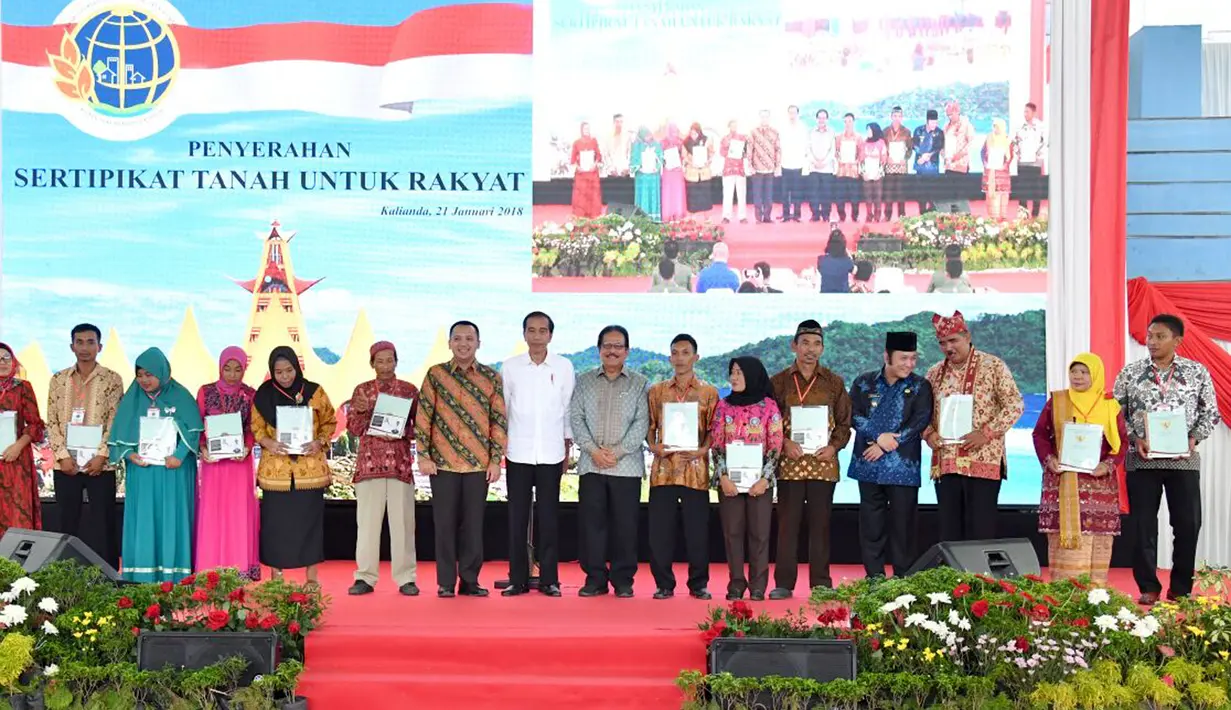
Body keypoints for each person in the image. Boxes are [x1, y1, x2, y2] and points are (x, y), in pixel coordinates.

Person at [1113, 314, 1219, 603]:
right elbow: (1116, 414)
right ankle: (1148, 586)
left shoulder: (1197, 372)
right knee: (1142, 526)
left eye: (1160, 336)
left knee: (1187, 524)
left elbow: (1211, 412)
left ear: (1177, 341)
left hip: (1183, 460)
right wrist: (1135, 438)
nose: (1152, 342)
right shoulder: (1130, 373)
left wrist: (1193, 438)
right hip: (1142, 460)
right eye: (1149, 336)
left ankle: (1181, 588)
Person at [415, 321, 507, 598]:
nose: (463, 343)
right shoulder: (436, 375)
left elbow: (499, 420)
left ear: (479, 343)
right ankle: (445, 582)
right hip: (442, 464)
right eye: (458, 338)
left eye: (469, 338)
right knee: (443, 525)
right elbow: (423, 416)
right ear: (450, 343)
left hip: (479, 465)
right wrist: (423, 455)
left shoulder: (491, 377)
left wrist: (495, 460)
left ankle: (470, 580)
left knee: (473, 526)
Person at [922, 311, 1025, 541]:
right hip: (946, 462)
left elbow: (1015, 405)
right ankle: (953, 578)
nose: (948, 348)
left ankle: (980, 577)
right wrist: (929, 434)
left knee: (981, 530)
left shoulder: (993, 366)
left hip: (983, 459)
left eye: (953, 340)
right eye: (942, 343)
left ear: (967, 336)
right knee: (949, 531)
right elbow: (922, 414)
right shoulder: (934, 373)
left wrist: (986, 433)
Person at [769, 320, 853, 598]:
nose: (810, 349)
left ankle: (820, 584)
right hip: (789, 465)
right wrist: (783, 442)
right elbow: (768, 421)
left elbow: (844, 423)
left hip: (823, 465)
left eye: (816, 344)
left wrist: (833, 447)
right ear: (794, 345)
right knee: (787, 527)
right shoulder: (778, 382)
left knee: (821, 526)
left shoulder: (834, 382)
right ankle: (783, 583)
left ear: (823, 348)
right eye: (805, 343)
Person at [109, 347, 203, 582]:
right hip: (143, 471)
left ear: (163, 372)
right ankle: (141, 575)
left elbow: (193, 431)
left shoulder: (181, 396)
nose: (144, 380)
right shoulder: (133, 398)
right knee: (144, 520)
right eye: (140, 374)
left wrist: (180, 456)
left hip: (173, 471)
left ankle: (174, 574)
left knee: (172, 518)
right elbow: (121, 433)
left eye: (149, 374)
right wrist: (130, 455)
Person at [569, 325, 649, 597]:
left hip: (626, 467)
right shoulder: (584, 380)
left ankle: (623, 580)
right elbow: (576, 418)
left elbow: (642, 423)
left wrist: (617, 452)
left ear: (626, 351)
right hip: (592, 465)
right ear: (599, 349)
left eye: (618, 346)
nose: (612, 351)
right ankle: (594, 579)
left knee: (625, 527)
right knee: (592, 525)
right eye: (607, 345)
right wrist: (593, 450)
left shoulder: (640, 383)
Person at [1034, 353, 1127, 585]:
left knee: (1097, 539)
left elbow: (1122, 442)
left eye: (1084, 372)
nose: (1077, 376)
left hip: (1098, 486)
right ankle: (1065, 595)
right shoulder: (1057, 401)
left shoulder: (1109, 405)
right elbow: (1040, 435)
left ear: (1095, 374)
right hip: (1063, 481)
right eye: (1074, 371)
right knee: (1062, 537)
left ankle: (1096, 595)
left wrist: (1108, 465)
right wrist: (1049, 459)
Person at [848, 332, 934, 578]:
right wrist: (878, 435)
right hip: (868, 464)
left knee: (903, 526)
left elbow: (920, 420)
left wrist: (886, 444)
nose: (909, 364)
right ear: (887, 356)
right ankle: (874, 577)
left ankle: (903, 577)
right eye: (903, 358)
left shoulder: (920, 385)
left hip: (902, 468)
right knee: (871, 526)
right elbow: (852, 414)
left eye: (913, 358)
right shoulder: (864, 383)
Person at [502, 313, 575, 598]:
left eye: (542, 331)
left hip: (551, 452)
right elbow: (505, 409)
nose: (536, 336)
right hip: (518, 452)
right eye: (531, 331)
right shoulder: (510, 367)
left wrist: (567, 448)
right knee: (516, 519)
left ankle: (549, 580)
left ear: (550, 336)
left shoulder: (564, 366)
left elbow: (567, 408)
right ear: (524, 335)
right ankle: (517, 579)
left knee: (549, 518)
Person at [252, 346, 337, 588]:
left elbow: (330, 421)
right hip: (276, 471)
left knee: (309, 524)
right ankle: (276, 576)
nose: (285, 376)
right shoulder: (263, 395)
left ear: (296, 368)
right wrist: (267, 441)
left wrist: (319, 442)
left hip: (309, 469)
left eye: (289, 370)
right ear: (272, 372)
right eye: (279, 372)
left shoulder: (314, 392)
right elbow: (256, 427)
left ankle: (311, 577)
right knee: (275, 526)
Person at [646, 334, 719, 600]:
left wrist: (702, 450)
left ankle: (698, 584)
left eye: (685, 352)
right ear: (669, 358)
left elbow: (714, 430)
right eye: (675, 353)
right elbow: (649, 427)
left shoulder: (709, 392)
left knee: (697, 530)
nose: (679, 358)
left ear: (695, 358)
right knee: (660, 531)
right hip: (663, 470)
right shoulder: (657, 391)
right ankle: (664, 584)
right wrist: (653, 446)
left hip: (695, 470)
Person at [46, 324, 124, 568]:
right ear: (72, 347)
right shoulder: (58, 380)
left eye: (91, 342)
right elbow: (52, 420)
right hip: (66, 464)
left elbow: (115, 419)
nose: (85, 348)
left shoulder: (112, 379)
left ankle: (108, 578)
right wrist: (62, 455)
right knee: (67, 522)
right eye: (79, 342)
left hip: (100, 465)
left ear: (99, 347)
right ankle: (65, 577)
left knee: (103, 522)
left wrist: (102, 455)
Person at [346, 341, 421, 597]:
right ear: (372, 364)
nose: (386, 366)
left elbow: (418, 428)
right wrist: (364, 411)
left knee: (403, 524)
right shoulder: (363, 391)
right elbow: (353, 429)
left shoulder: (409, 391)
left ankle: (406, 578)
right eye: (380, 361)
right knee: (367, 525)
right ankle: (365, 577)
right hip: (369, 465)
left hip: (399, 466)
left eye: (390, 360)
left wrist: (400, 429)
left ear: (396, 362)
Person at [711, 356, 783, 601]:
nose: (734, 377)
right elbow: (717, 445)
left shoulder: (769, 407)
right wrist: (723, 476)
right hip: (729, 482)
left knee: (760, 534)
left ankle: (758, 585)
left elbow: (775, 445)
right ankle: (736, 584)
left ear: (752, 375)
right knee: (732, 534)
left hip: (759, 483)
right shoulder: (723, 406)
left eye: (740, 372)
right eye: (732, 372)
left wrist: (764, 479)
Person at [195, 346, 260, 579]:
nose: (232, 374)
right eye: (227, 368)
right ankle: (209, 569)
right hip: (213, 463)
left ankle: (240, 568)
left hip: (238, 462)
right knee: (213, 511)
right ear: (220, 367)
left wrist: (247, 447)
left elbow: (254, 427)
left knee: (238, 512)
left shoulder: (251, 395)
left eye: (238, 369)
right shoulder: (205, 391)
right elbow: (198, 424)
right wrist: (202, 448)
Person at [0, 343, 45, 536]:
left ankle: (18, 565)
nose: (2, 362)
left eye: (6, 358)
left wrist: (18, 447)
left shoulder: (22, 387)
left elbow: (35, 424)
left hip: (16, 460)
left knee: (17, 513)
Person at [1013, 102, 1047, 218]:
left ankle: (1035, 214)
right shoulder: (1020, 126)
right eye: (1024, 111)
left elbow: (1045, 143)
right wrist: (1018, 153)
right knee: (1022, 188)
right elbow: (1015, 141)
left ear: (1033, 112)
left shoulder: (1040, 126)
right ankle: (1023, 213)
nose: (1025, 114)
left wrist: (1039, 157)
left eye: (1027, 111)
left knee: (1035, 189)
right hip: (1022, 162)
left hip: (1035, 163)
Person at [749, 109, 781, 224]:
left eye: (766, 117)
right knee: (757, 195)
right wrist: (750, 165)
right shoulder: (753, 132)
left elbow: (778, 150)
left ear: (769, 118)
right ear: (759, 118)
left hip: (770, 168)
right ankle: (758, 218)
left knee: (768, 195)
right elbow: (749, 149)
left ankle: (767, 217)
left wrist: (777, 166)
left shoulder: (774, 132)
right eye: (762, 117)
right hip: (757, 168)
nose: (764, 119)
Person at [779, 105, 809, 222]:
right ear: (788, 114)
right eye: (790, 113)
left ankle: (796, 214)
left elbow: (806, 145)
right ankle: (786, 215)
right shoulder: (783, 127)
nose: (792, 115)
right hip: (785, 163)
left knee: (797, 191)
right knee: (785, 192)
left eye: (794, 113)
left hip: (798, 163)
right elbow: (779, 145)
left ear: (798, 114)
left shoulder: (802, 127)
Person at [882, 106, 913, 220]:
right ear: (891, 117)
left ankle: (902, 215)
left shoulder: (907, 132)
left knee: (901, 192)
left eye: (899, 116)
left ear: (902, 118)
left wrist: (904, 158)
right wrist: (886, 157)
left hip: (901, 166)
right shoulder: (885, 131)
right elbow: (882, 147)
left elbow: (910, 149)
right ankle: (887, 215)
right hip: (889, 165)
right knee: (888, 192)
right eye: (895, 116)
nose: (897, 118)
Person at [912, 109, 944, 214]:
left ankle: (933, 215)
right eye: (932, 122)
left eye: (936, 122)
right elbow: (914, 145)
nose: (934, 124)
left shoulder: (939, 132)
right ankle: (922, 214)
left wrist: (928, 155)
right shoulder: (918, 130)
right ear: (927, 121)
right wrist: (921, 155)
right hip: (920, 166)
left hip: (933, 167)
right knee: (921, 193)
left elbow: (939, 147)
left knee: (933, 194)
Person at [943, 101, 975, 201]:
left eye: (951, 114)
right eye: (948, 115)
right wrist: (943, 154)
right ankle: (951, 216)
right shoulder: (946, 126)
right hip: (949, 165)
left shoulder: (966, 125)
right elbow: (942, 144)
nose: (950, 117)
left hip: (961, 164)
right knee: (949, 194)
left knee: (960, 195)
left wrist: (959, 155)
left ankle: (962, 216)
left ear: (957, 111)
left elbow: (970, 143)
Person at [570, 122, 603, 218]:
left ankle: (594, 215)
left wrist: (595, 164)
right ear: (581, 130)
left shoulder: (594, 141)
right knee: (581, 195)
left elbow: (598, 156)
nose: (587, 131)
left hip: (592, 173)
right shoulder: (576, 143)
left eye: (588, 128)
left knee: (593, 195)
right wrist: (578, 167)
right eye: (585, 129)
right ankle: (581, 215)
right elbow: (573, 159)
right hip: (581, 174)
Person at [718, 119, 749, 224]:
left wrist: (742, 152)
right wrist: (730, 151)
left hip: (740, 169)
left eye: (736, 125)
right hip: (728, 169)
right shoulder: (724, 139)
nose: (734, 128)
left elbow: (746, 153)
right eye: (732, 126)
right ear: (729, 126)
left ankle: (742, 216)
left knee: (741, 194)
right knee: (727, 194)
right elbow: (721, 152)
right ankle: (726, 216)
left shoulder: (743, 138)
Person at [630, 127, 663, 221]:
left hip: (653, 176)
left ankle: (654, 219)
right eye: (646, 136)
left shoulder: (656, 144)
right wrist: (640, 167)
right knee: (643, 197)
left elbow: (660, 158)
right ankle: (641, 219)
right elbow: (633, 160)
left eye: (649, 135)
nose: (648, 137)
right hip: (642, 177)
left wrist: (656, 167)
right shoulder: (637, 146)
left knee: (653, 197)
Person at [981, 118, 1012, 221]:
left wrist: (1005, 165)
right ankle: (992, 217)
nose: (995, 128)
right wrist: (985, 163)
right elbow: (983, 152)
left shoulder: (1007, 139)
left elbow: (1010, 156)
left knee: (1002, 194)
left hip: (1002, 173)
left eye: (997, 126)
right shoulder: (989, 138)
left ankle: (1002, 216)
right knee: (991, 194)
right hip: (991, 172)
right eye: (994, 126)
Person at [683, 122, 716, 214]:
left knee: (705, 197)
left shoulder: (706, 140)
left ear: (699, 132)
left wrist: (708, 160)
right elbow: (684, 156)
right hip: (692, 172)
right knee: (693, 198)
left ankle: (707, 219)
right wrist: (691, 162)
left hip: (704, 172)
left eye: (695, 133)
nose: (693, 136)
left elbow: (712, 153)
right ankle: (692, 220)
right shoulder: (686, 142)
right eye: (691, 133)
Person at [834, 113, 862, 221]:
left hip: (853, 171)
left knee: (855, 197)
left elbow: (861, 153)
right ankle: (842, 216)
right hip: (841, 170)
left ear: (853, 122)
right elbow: (835, 152)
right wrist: (838, 159)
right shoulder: (838, 137)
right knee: (839, 196)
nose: (848, 124)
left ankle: (854, 217)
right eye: (846, 121)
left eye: (850, 121)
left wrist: (856, 161)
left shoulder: (859, 137)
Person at [660, 123, 687, 222]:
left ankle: (678, 215)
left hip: (677, 171)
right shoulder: (663, 142)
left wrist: (682, 162)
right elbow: (659, 157)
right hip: (668, 171)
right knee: (668, 193)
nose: (674, 132)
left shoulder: (681, 142)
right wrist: (664, 163)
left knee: (677, 192)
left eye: (676, 130)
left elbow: (684, 156)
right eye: (672, 130)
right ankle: (668, 216)